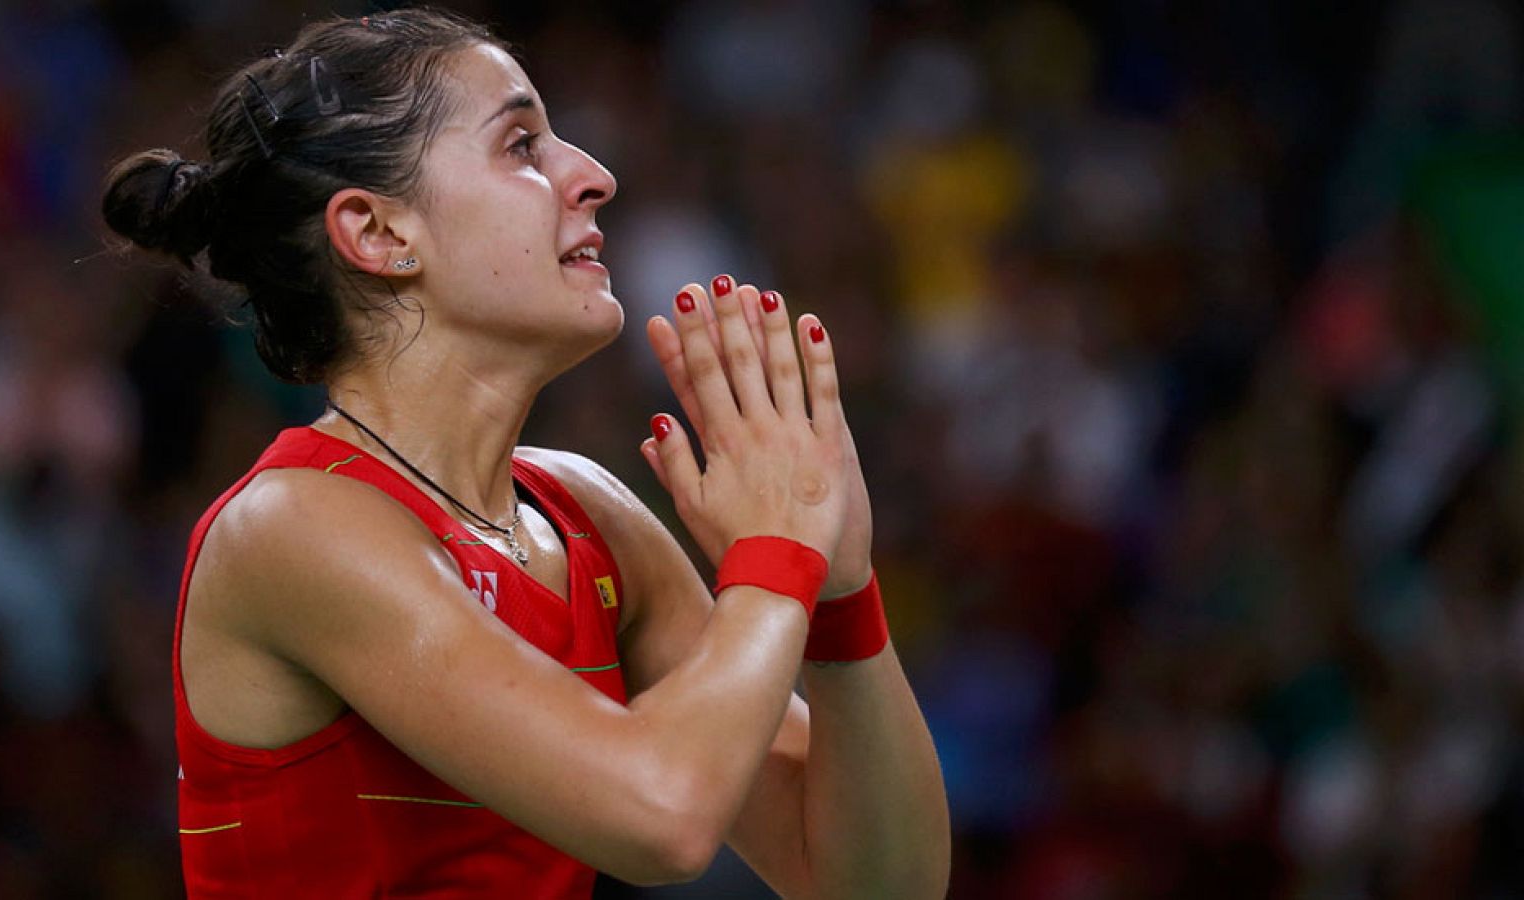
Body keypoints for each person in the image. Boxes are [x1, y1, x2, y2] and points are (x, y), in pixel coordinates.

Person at [102, 9, 948, 898]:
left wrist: (839, 588)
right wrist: (777, 552)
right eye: (520, 145)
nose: (593, 175)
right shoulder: (293, 526)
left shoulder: (586, 515)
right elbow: (660, 816)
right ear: (380, 235)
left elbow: (880, 888)